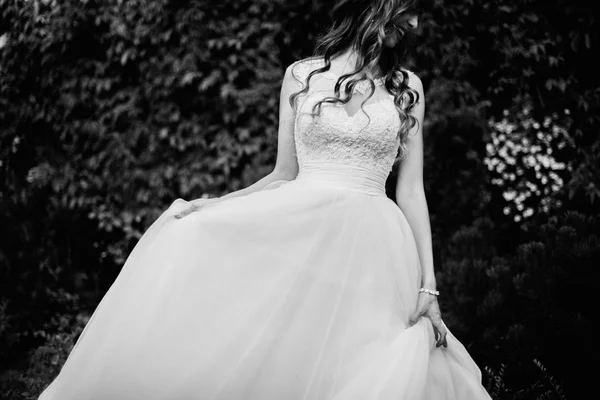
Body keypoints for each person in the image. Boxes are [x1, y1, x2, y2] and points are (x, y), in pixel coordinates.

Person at [38, 0, 492, 398]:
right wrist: (214, 207)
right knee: (292, 349)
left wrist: (428, 285)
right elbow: (282, 173)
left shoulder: (407, 88)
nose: (413, 24)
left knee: (365, 356)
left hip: (377, 249)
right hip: (303, 228)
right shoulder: (301, 76)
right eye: (407, 8)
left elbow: (411, 189)